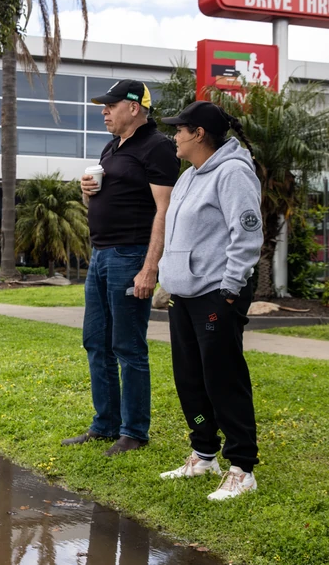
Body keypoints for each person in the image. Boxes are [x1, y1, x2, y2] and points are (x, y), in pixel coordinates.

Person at [62, 79, 179, 457]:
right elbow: (105, 199)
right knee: (96, 342)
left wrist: (150, 268)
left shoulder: (158, 146)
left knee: (128, 346)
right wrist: (87, 193)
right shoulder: (112, 147)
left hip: (130, 256)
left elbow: (165, 210)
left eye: (111, 105)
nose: (104, 111)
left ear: (134, 107)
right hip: (100, 255)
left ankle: (134, 432)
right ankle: (105, 425)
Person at [156, 100, 263, 501]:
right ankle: (204, 454)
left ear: (198, 134)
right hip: (184, 293)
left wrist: (230, 288)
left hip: (218, 292)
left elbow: (247, 233)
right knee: (189, 378)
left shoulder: (233, 173)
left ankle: (242, 468)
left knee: (223, 378)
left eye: (179, 129)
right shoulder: (188, 176)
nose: (174, 136)